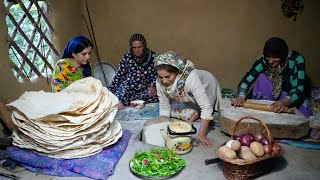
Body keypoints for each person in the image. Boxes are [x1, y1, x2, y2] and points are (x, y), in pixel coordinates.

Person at [231, 37, 312, 117]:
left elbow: (298, 87)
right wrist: (241, 96)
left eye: (275, 57)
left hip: (288, 96)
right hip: (271, 96)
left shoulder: (297, 59)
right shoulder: (263, 60)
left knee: (300, 116)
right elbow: (246, 80)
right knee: (261, 78)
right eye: (268, 57)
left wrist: (285, 102)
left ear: (283, 55)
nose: (270, 61)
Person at [155, 51, 221, 147]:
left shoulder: (191, 78)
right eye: (161, 77)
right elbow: (164, 106)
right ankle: (196, 112)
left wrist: (201, 135)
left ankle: (198, 112)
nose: (164, 81)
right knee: (184, 113)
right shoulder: (159, 82)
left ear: (177, 72)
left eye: (168, 77)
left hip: (207, 85)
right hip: (189, 93)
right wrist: (164, 130)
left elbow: (206, 107)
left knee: (207, 111)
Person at [109, 33, 158, 109]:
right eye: (134, 47)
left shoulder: (152, 57)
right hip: (129, 88)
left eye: (139, 47)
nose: (137, 50)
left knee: (157, 97)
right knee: (118, 98)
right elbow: (119, 75)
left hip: (145, 89)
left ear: (144, 46)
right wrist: (110, 93)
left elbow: (157, 75)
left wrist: (154, 86)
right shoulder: (127, 57)